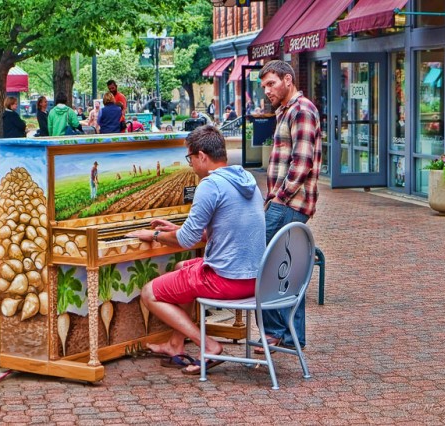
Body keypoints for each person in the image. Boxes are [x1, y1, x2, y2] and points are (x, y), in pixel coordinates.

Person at [126, 125, 266, 374]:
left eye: (189, 158)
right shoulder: (246, 180)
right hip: (254, 278)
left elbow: (187, 241)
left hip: (227, 279)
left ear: (202, 156)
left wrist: (156, 235)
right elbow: (214, 229)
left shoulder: (210, 185)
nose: (189, 164)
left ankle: (208, 345)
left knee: (149, 293)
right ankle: (174, 345)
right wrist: (177, 228)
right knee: (182, 267)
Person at [257, 59, 322, 353]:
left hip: (289, 202)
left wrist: (279, 197)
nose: (267, 91)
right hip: (286, 201)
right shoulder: (286, 112)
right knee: (286, 266)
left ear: (287, 79)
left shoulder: (301, 110)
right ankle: (292, 336)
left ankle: (274, 331)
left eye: (271, 83)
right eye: (264, 86)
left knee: (263, 260)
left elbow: (302, 162)